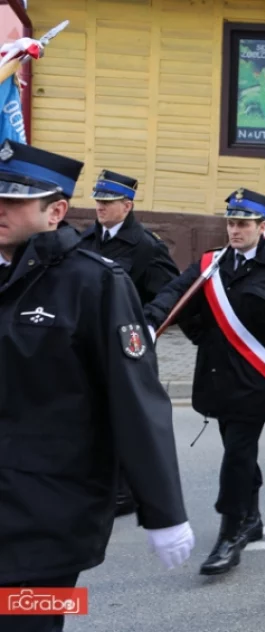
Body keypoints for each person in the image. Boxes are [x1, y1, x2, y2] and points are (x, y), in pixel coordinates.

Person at [0, 140, 193, 632]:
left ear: (56, 210)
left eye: (14, 199)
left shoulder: (94, 284)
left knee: (27, 624)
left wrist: (164, 510)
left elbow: (135, 398)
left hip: (46, 517)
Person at [144, 188, 265, 576]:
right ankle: (252, 518)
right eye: (231, 223)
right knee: (240, 453)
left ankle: (231, 531)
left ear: (261, 227)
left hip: (255, 381)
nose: (235, 230)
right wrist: (151, 321)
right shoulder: (209, 264)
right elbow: (175, 293)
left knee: (236, 454)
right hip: (216, 378)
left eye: (243, 224)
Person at [78, 169, 181, 517]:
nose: (100, 208)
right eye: (98, 201)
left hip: (128, 346)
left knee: (126, 417)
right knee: (94, 415)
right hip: (90, 343)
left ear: (127, 205)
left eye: (107, 202)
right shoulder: (85, 239)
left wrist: (148, 323)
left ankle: (127, 491)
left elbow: (171, 292)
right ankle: (102, 482)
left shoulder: (147, 247)